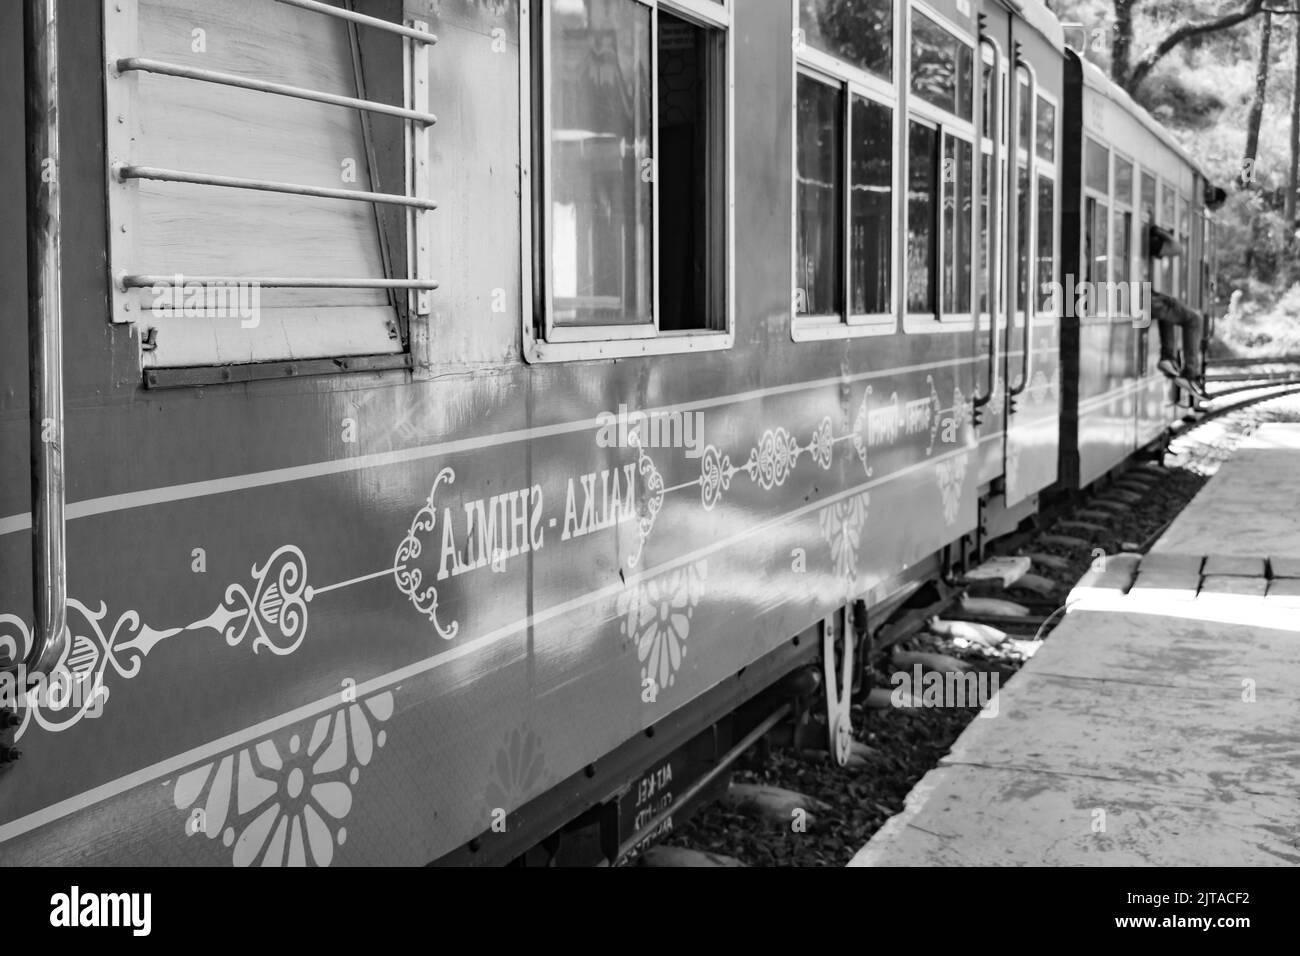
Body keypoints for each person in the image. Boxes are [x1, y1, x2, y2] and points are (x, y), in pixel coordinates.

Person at [1150, 290, 1208, 402]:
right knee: (1194, 320)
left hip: (1135, 294)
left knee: (1168, 307)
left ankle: (1167, 358)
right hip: (1135, 296)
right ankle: (1189, 375)